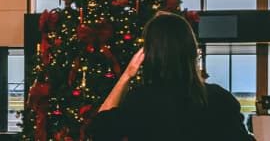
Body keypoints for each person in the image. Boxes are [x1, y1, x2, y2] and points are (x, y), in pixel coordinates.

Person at [90, 12, 254, 141]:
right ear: (191, 51)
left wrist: (127, 75)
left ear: (149, 54)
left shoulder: (140, 101)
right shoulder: (219, 98)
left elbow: (100, 130)